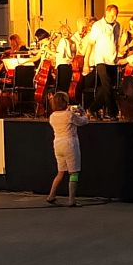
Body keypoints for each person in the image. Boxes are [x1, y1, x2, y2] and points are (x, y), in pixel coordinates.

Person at [46, 80, 87, 208]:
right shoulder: (69, 115)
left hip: (57, 144)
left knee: (60, 172)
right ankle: (71, 200)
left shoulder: (52, 116)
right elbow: (83, 121)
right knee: (74, 173)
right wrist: (83, 113)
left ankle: (51, 195)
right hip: (70, 144)